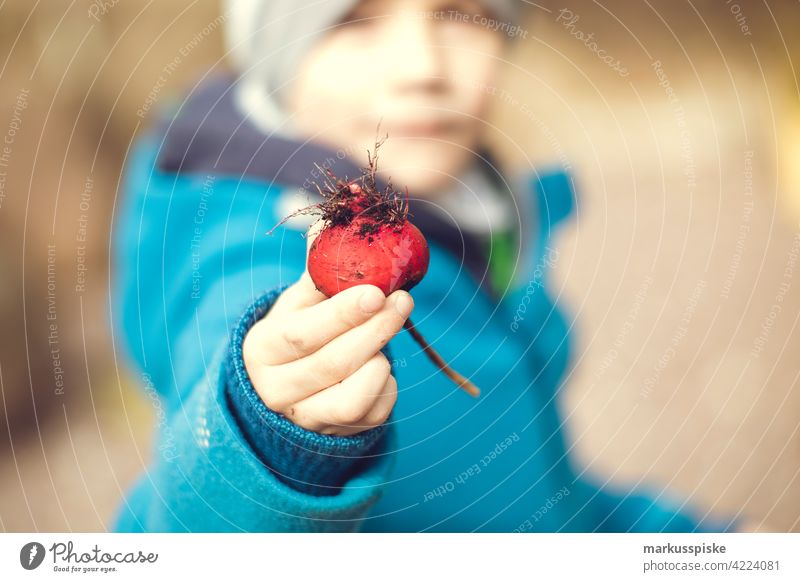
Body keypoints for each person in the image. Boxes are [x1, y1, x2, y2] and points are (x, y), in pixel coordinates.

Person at [111, 0, 743, 532]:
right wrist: (270, 440)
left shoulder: (480, 220)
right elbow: (181, 530)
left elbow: (539, 505)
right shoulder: (252, 257)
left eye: (460, 12)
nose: (423, 68)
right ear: (277, 51)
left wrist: (700, 545)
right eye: (354, 18)